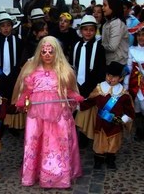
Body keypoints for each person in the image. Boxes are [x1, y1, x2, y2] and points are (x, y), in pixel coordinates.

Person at [14, 36, 84, 188]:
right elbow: (28, 91)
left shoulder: (63, 72)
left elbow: (69, 91)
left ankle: (58, 175)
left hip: (58, 113)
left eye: (50, 52)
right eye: (44, 52)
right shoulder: (32, 72)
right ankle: (34, 173)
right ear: (39, 52)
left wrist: (75, 96)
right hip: (36, 114)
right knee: (35, 141)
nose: (47, 55)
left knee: (57, 142)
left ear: (56, 53)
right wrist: (23, 99)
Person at [80, 61, 135, 170]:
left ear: (120, 79)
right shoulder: (100, 89)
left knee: (113, 144)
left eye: (114, 77)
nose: (110, 78)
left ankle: (111, 160)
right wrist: (78, 105)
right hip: (100, 124)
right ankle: (98, 161)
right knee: (99, 143)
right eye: (108, 75)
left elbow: (129, 111)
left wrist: (123, 120)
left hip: (115, 124)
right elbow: (90, 101)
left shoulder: (123, 94)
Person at [71, 15, 106, 148]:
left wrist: (98, 86)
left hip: (91, 83)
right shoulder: (76, 45)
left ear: (95, 30)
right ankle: (78, 135)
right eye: (85, 29)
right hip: (78, 85)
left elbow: (101, 68)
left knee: (89, 112)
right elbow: (73, 65)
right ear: (81, 30)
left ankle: (87, 135)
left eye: (91, 30)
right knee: (77, 111)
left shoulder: (99, 47)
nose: (88, 32)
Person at [124, 22, 144, 141]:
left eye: (143, 34)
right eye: (139, 35)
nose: (141, 37)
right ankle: (139, 130)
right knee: (136, 106)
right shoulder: (131, 50)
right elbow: (129, 68)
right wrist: (126, 86)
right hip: (135, 83)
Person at [102, 0, 129, 65]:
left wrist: (98, 45)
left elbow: (112, 47)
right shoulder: (108, 23)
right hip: (110, 61)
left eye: (105, 5)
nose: (102, 8)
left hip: (117, 63)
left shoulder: (117, 23)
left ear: (113, 6)